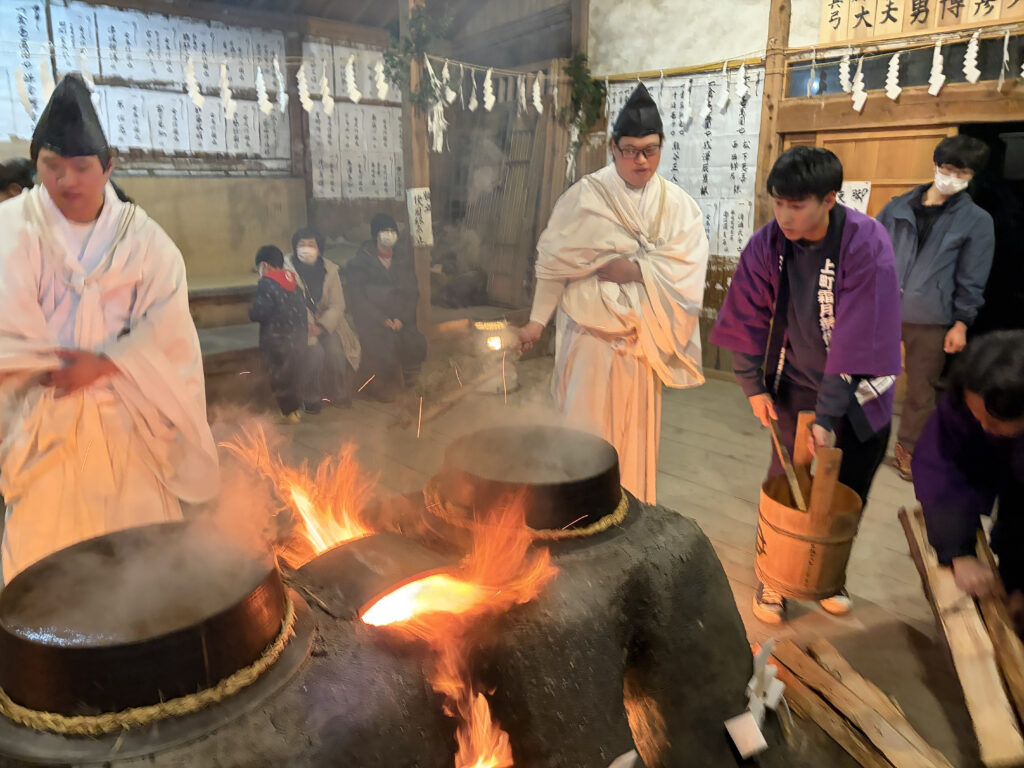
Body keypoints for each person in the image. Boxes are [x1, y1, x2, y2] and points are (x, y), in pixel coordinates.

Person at [0, 75, 219, 584]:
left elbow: (168, 331)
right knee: (41, 576)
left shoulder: (146, 243)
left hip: (128, 423)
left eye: (81, 167)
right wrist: (43, 362)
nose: (66, 181)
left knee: (142, 569)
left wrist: (106, 363)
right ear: (36, 164)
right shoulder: (10, 229)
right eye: (52, 166)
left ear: (108, 167)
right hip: (44, 429)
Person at [711, 146, 901, 624]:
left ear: (830, 199)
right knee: (787, 479)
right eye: (778, 203)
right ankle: (775, 576)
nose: (784, 215)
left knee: (847, 488)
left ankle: (828, 575)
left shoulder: (865, 242)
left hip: (860, 390)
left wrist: (830, 415)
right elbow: (746, 313)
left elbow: (858, 337)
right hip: (796, 381)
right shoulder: (769, 243)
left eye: (796, 205)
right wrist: (752, 385)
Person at [516, 83, 710, 504]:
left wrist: (636, 270)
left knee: (631, 440)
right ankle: (577, 514)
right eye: (631, 151)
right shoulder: (585, 196)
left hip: (638, 346)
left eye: (650, 150)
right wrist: (536, 323)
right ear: (613, 148)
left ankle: (632, 517)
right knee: (583, 436)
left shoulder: (678, 206)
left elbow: (689, 269)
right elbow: (554, 264)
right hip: (589, 342)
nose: (641, 160)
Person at [877, 135, 995, 481]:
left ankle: (909, 451)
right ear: (936, 165)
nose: (953, 177)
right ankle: (861, 440)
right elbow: (871, 251)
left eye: (963, 173)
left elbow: (973, 276)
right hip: (882, 309)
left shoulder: (976, 220)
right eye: (949, 168)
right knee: (865, 378)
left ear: (972, 176)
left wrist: (961, 323)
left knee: (921, 389)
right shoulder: (897, 207)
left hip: (931, 317)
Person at [913, 331, 1024, 636]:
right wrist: (958, 552)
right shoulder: (963, 397)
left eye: (995, 422)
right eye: (978, 417)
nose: (984, 428)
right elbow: (940, 467)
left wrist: (1019, 582)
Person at [344, 213, 426, 402]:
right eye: (384, 230)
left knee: (414, 341)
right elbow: (358, 299)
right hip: (372, 321)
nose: (389, 234)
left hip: (399, 319)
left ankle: (412, 383)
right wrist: (382, 319)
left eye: (392, 230)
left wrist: (401, 318)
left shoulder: (402, 261)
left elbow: (411, 293)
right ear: (375, 234)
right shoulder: (360, 263)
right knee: (383, 345)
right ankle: (379, 385)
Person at [285, 227, 360, 413]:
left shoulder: (330, 269)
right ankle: (310, 397)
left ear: (319, 248)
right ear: (295, 247)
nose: (306, 248)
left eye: (311, 244)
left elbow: (337, 304)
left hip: (325, 323)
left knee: (335, 350)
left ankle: (338, 391)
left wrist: (321, 326)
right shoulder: (286, 270)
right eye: (302, 244)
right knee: (315, 353)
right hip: (297, 325)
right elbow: (289, 303)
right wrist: (307, 325)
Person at [250, 245, 306, 423]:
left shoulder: (266, 284)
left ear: (264, 265)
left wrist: (252, 312)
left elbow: (261, 312)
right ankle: (296, 408)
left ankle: (289, 412)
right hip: (296, 339)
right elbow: (302, 312)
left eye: (259, 267)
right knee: (293, 374)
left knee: (279, 377)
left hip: (275, 342)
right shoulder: (294, 283)